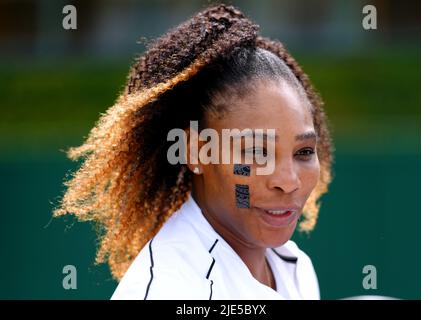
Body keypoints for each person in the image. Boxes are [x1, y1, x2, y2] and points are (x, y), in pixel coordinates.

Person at [54, 3, 333, 300]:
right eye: (257, 153)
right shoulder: (168, 290)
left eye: (303, 152)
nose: (288, 181)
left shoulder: (294, 266)